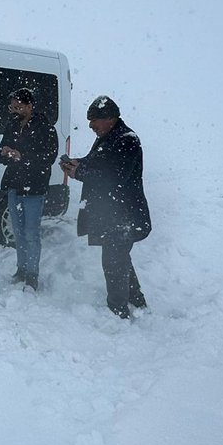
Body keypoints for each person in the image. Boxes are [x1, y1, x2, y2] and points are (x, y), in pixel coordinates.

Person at [60, 95, 151, 318]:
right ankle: (136, 301)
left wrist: (79, 173)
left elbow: (115, 177)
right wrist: (79, 163)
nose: (90, 126)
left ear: (110, 118)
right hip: (113, 214)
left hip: (124, 214)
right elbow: (98, 162)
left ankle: (118, 311)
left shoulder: (126, 139)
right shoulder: (109, 137)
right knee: (119, 258)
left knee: (114, 261)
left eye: (94, 120)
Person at [0, 88, 59, 290]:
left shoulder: (46, 128)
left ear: (30, 106)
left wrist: (22, 156)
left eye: (18, 106)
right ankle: (21, 269)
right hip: (14, 184)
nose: (14, 110)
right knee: (17, 231)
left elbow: (48, 158)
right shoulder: (12, 124)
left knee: (31, 232)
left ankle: (32, 274)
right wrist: (5, 153)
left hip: (34, 187)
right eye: (12, 106)